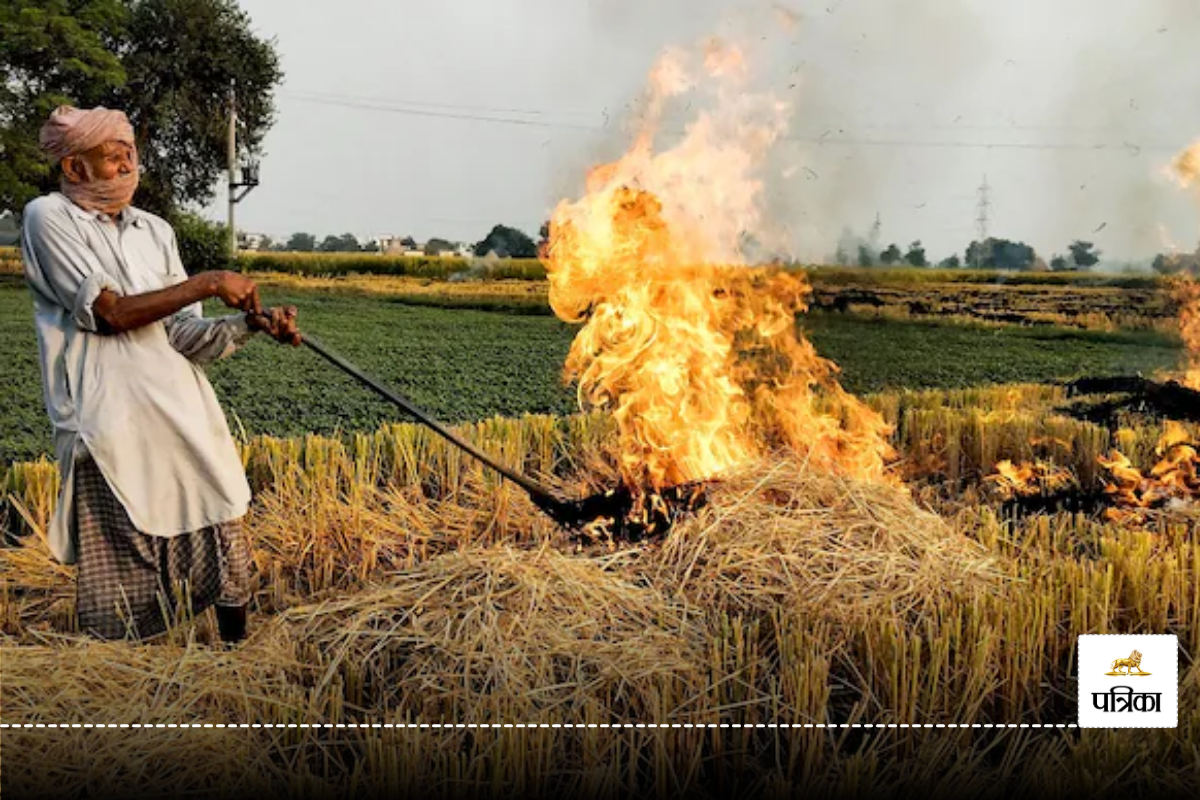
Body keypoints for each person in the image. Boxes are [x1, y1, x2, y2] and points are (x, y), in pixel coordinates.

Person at [19, 104, 300, 643]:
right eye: (112, 156)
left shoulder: (154, 230)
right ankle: (126, 677)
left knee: (221, 517)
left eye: (130, 154)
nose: (127, 165)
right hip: (107, 418)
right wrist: (210, 281)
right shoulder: (47, 217)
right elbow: (111, 313)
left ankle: (236, 660)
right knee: (122, 552)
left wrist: (253, 325)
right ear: (75, 169)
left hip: (179, 408)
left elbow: (183, 336)